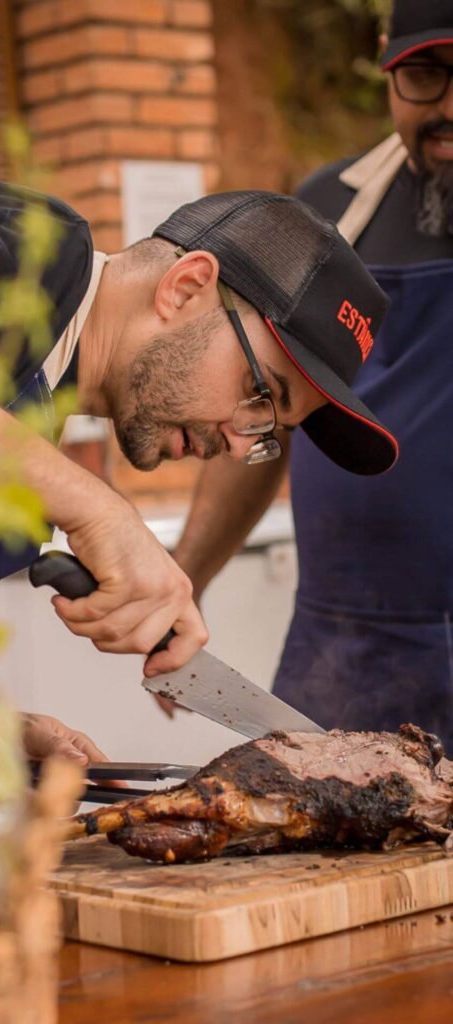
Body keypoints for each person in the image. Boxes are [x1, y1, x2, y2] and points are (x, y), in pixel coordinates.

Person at [0, 185, 396, 761]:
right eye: (259, 391)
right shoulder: (35, 249)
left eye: (268, 428)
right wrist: (98, 508)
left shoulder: (24, 458)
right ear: (185, 288)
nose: (236, 443)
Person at [174, 0, 453, 752]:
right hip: (340, 657)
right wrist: (184, 577)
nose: (449, 107)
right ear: (390, 68)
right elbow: (266, 412)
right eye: (427, 75)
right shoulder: (327, 210)